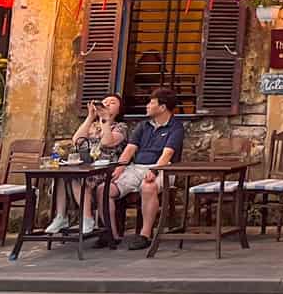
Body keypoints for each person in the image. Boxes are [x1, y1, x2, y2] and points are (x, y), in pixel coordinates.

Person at [105, 88, 186, 251]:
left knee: (148, 187)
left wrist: (155, 171)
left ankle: (145, 234)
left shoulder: (176, 127)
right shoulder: (143, 125)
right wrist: (119, 168)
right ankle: (111, 234)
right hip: (136, 168)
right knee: (104, 189)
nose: (147, 105)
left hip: (164, 168)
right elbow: (129, 150)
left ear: (162, 107)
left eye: (151, 103)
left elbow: (167, 154)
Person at [45, 94, 127, 235]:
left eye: (112, 102)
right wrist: (90, 117)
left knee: (77, 177)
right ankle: (60, 216)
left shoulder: (120, 127)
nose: (107, 104)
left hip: (104, 169)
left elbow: (108, 142)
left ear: (119, 109)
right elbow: (76, 140)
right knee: (60, 175)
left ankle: (87, 218)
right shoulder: (93, 125)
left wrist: (105, 119)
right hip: (84, 165)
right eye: (104, 102)